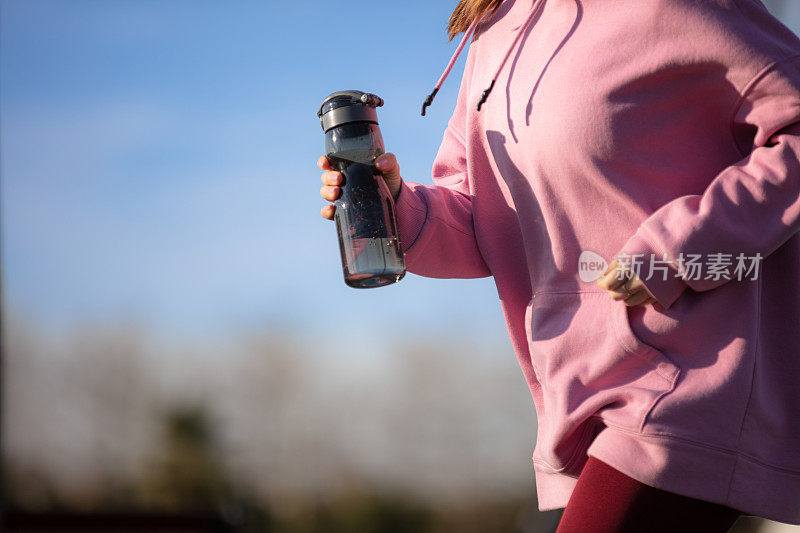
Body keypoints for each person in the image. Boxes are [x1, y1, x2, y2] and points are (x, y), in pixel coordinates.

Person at [319, 0, 800, 530]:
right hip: (577, 386)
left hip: (693, 376)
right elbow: (483, 221)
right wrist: (397, 206)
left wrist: (676, 253)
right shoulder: (491, 35)